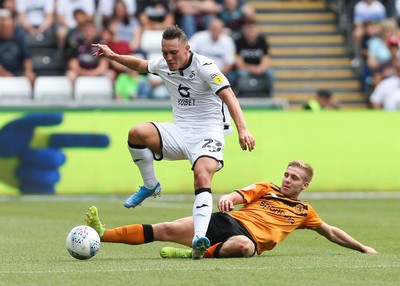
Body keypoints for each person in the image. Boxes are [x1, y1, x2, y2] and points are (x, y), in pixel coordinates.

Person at [92, 25, 255, 259]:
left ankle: (200, 237)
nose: (168, 58)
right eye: (165, 52)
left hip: (208, 132)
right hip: (180, 132)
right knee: (137, 133)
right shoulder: (163, 64)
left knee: (201, 176)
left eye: (173, 52)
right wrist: (113, 56)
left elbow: (229, 95)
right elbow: (140, 65)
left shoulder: (206, 67)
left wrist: (243, 129)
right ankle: (150, 185)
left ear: (187, 49)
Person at [85, 160, 378, 259]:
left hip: (247, 240)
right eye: (287, 175)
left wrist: (363, 247)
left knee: (242, 247)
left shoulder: (305, 212)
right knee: (167, 228)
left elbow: (331, 232)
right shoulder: (267, 188)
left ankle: (192, 254)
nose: (287, 180)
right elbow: (238, 194)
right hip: (225, 221)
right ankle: (103, 234)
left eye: (294, 178)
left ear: (305, 186)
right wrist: (227, 198)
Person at [234, 18, 274, 96]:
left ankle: (270, 96)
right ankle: (238, 96)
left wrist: (260, 68)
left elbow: (266, 59)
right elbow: (238, 62)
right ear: (244, 29)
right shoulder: (239, 41)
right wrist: (251, 68)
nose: (251, 31)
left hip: (259, 69)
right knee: (239, 74)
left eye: (253, 28)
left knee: (270, 73)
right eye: (249, 28)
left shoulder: (262, 41)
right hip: (245, 69)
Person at [189, 18, 236, 84]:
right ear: (209, 28)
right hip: (199, 72)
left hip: (221, 74)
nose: (216, 31)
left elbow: (229, 63)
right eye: (214, 28)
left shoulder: (228, 41)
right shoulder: (198, 37)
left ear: (222, 29)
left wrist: (216, 75)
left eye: (218, 29)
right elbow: (188, 52)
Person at [0, 9, 36, 85]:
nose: (6, 29)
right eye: (3, 27)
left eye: (8, 27)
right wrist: (5, 74)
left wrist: (28, 70)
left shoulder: (19, 37)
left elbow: (27, 58)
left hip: (19, 73)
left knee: (31, 76)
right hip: (2, 75)